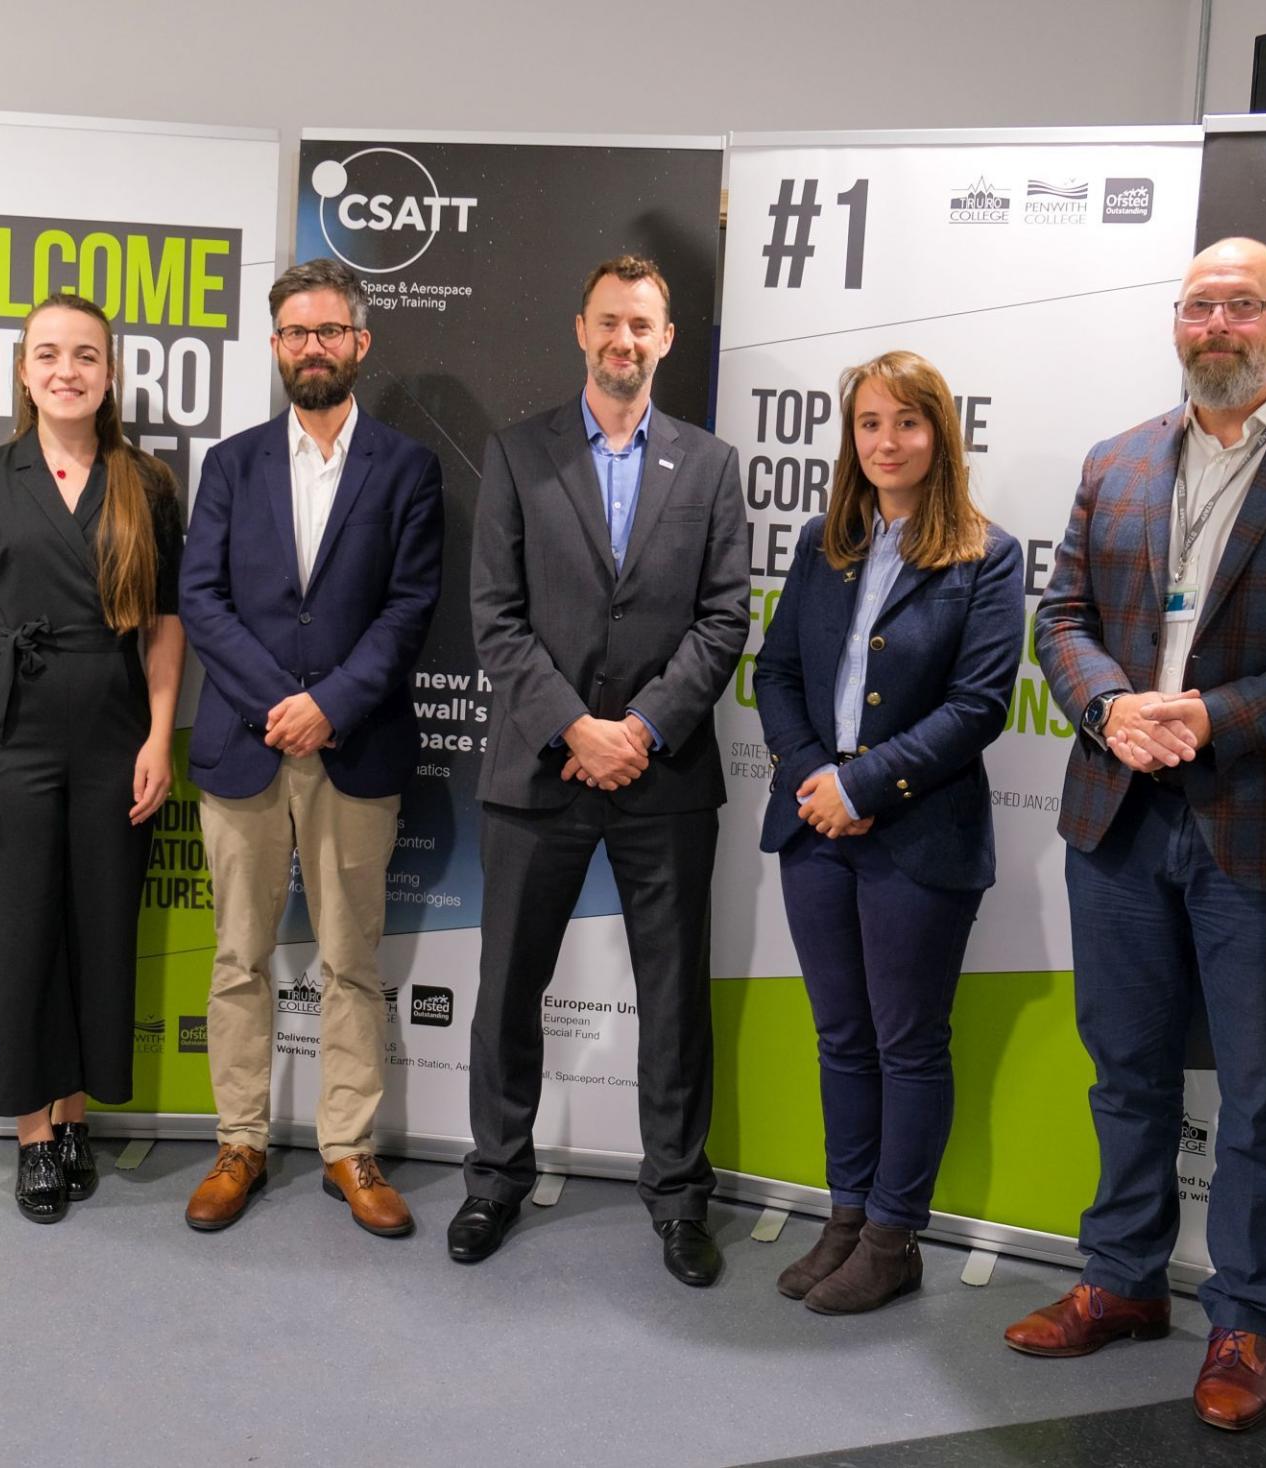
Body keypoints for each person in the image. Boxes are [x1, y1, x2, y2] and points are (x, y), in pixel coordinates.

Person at [1012, 237, 1266, 1430]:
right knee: (1126, 1072)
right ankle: (1121, 1284)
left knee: (1258, 1092)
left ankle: (1241, 1320)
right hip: (1120, 816)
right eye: (1198, 306)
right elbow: (1065, 615)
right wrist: (1105, 704)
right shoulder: (1121, 459)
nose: (1217, 325)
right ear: (1175, 323)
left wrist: (1208, 716)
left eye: (1242, 305)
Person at [452, 254, 750, 1286]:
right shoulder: (518, 453)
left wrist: (645, 729)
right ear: (583, 329)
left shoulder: (709, 467)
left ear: (667, 340)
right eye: (610, 321)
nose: (626, 340)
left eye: (645, 325)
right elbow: (493, 617)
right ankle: (494, 1175)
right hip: (541, 773)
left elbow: (724, 621)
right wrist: (576, 728)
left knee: (673, 1000)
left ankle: (677, 1195)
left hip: (663, 781)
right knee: (506, 990)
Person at [752, 350, 1024, 1314]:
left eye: (905, 423)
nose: (886, 442)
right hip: (814, 830)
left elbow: (980, 704)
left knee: (908, 1041)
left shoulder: (988, 556)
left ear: (939, 433)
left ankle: (893, 1236)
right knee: (841, 1037)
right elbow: (774, 674)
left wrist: (862, 784)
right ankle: (845, 1217)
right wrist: (809, 776)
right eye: (869, 423)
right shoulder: (826, 543)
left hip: (917, 837)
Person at [177, 258, 443, 1237]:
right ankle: (240, 1138)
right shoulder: (233, 464)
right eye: (295, 332)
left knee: (349, 962)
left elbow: (410, 608)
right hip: (246, 748)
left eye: (329, 331)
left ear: (360, 343)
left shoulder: (408, 469)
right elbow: (200, 598)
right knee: (240, 958)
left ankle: (347, 1148)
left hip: (355, 748)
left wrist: (327, 706)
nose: (313, 347)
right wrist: (278, 704)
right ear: (277, 345)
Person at [0, 293, 186, 1224]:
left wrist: (160, 738)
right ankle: (34, 1135)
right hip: (12, 734)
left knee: (99, 930)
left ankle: (76, 1116)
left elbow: (165, 624)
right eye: (48, 354)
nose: (66, 369)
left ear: (110, 373)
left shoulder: (146, 483)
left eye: (85, 354)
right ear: (26, 371)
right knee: (19, 933)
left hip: (116, 736)